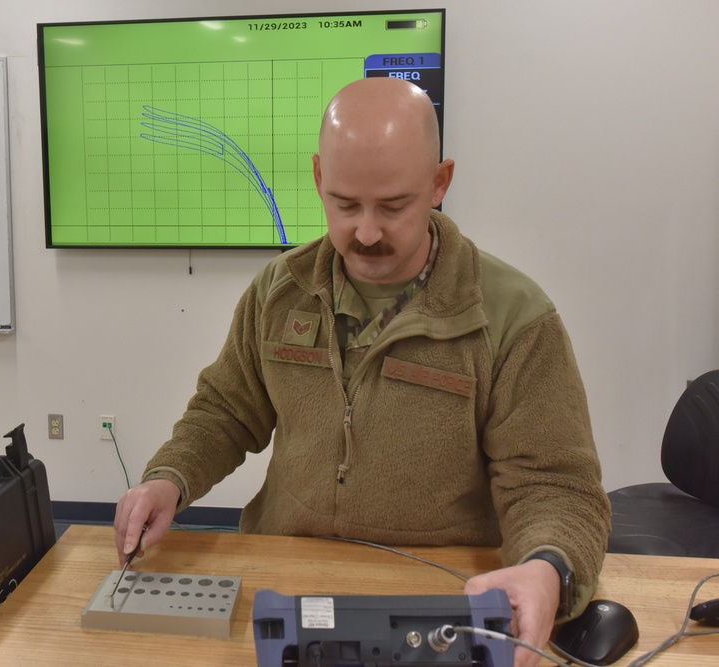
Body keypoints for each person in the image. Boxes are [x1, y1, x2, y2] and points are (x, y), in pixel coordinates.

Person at [114, 77, 610, 667]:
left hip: (439, 603)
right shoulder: (280, 291)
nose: (366, 233)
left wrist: (545, 568)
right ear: (320, 178)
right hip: (287, 583)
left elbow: (555, 485)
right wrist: (168, 477)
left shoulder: (512, 317)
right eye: (345, 205)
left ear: (440, 183)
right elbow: (225, 410)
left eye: (394, 206)